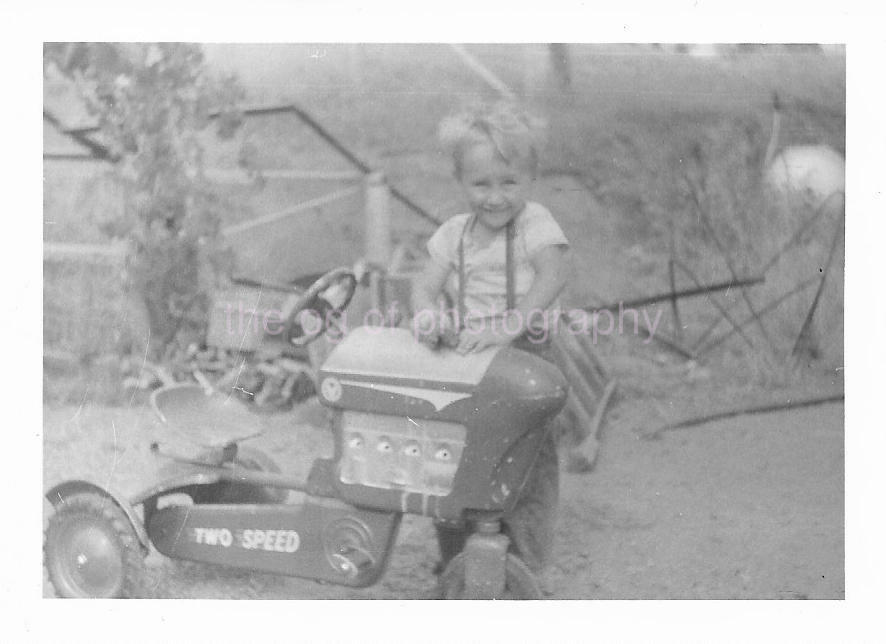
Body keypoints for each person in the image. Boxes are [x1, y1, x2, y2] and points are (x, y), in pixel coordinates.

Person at [412, 102, 571, 594]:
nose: (496, 197)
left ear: (530, 179)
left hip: (525, 355)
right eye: (481, 185)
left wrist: (510, 324)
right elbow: (423, 286)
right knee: (455, 455)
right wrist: (428, 313)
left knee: (525, 463)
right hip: (470, 358)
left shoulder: (534, 225)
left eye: (509, 183)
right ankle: (459, 556)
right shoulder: (453, 235)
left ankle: (522, 561)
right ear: (461, 181)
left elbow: (554, 273)